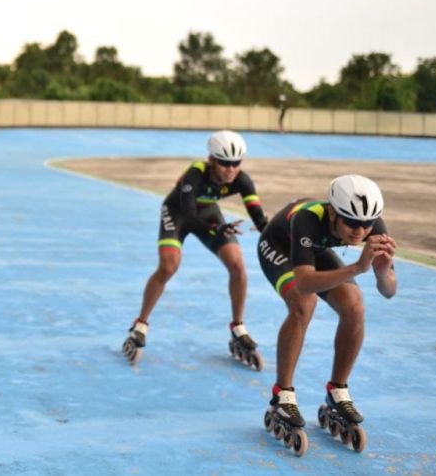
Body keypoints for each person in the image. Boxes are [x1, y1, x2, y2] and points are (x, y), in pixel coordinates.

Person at [258, 175, 397, 437]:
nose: (360, 231)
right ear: (333, 213)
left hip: (314, 249)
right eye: (352, 223)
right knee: (303, 304)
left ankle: (338, 391)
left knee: (355, 307)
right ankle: (283, 395)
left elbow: (389, 291)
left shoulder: (373, 224)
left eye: (366, 224)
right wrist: (357, 267)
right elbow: (305, 283)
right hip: (279, 246)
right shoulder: (307, 218)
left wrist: (382, 273)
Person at [123, 130, 269, 364]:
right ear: (212, 160)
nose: (231, 169)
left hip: (208, 213)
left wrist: (268, 228)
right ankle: (140, 324)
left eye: (235, 163)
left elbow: (258, 215)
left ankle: (238, 327)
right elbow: (189, 214)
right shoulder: (195, 175)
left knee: (237, 265)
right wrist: (216, 228)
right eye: (224, 163)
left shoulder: (242, 179)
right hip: (178, 213)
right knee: (169, 267)